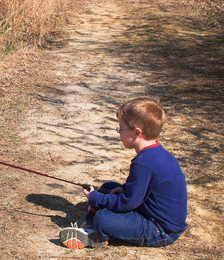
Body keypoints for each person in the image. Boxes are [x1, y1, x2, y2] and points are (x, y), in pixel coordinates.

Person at [59, 98, 188, 249]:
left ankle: (94, 233)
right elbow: (144, 187)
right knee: (109, 187)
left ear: (137, 132)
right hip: (155, 216)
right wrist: (125, 188)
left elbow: (128, 202)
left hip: (161, 230)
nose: (119, 132)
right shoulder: (156, 153)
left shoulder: (143, 163)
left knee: (103, 218)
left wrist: (96, 198)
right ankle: (94, 223)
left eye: (121, 128)